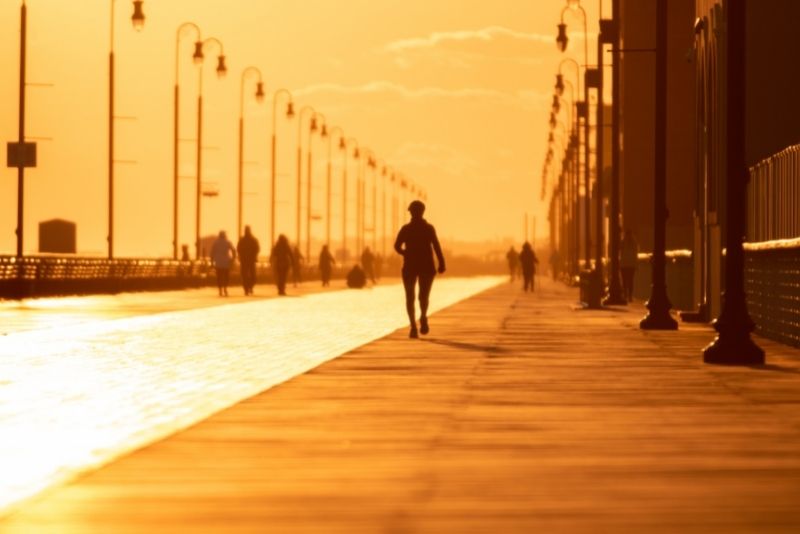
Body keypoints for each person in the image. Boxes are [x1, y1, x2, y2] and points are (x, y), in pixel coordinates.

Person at [394, 200, 446, 339]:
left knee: (410, 297)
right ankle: (422, 317)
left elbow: (397, 246)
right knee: (423, 296)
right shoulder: (428, 228)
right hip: (426, 266)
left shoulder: (406, 229)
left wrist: (405, 253)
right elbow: (436, 246)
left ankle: (413, 327)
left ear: (412, 212)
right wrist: (441, 262)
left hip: (411, 266)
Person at [210, 230, 236, 297]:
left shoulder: (215, 243)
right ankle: (225, 289)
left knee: (219, 277)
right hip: (226, 262)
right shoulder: (228, 242)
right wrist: (233, 258)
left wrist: (212, 262)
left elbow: (212, 253)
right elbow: (233, 250)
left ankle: (220, 290)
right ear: (225, 235)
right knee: (226, 276)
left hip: (218, 262)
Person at [237, 225, 260, 296]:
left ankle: (246, 288)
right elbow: (257, 248)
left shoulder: (242, 240)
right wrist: (254, 255)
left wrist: (240, 255)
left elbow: (238, 248)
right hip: (251, 259)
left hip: (244, 260)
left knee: (244, 275)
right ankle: (250, 286)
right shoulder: (253, 239)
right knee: (252, 275)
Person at [620, 229, 639, 302]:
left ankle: (625, 295)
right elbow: (635, 255)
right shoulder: (634, 243)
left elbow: (620, 253)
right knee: (631, 280)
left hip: (624, 264)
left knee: (625, 280)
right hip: (631, 264)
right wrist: (636, 264)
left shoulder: (623, 242)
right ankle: (630, 296)